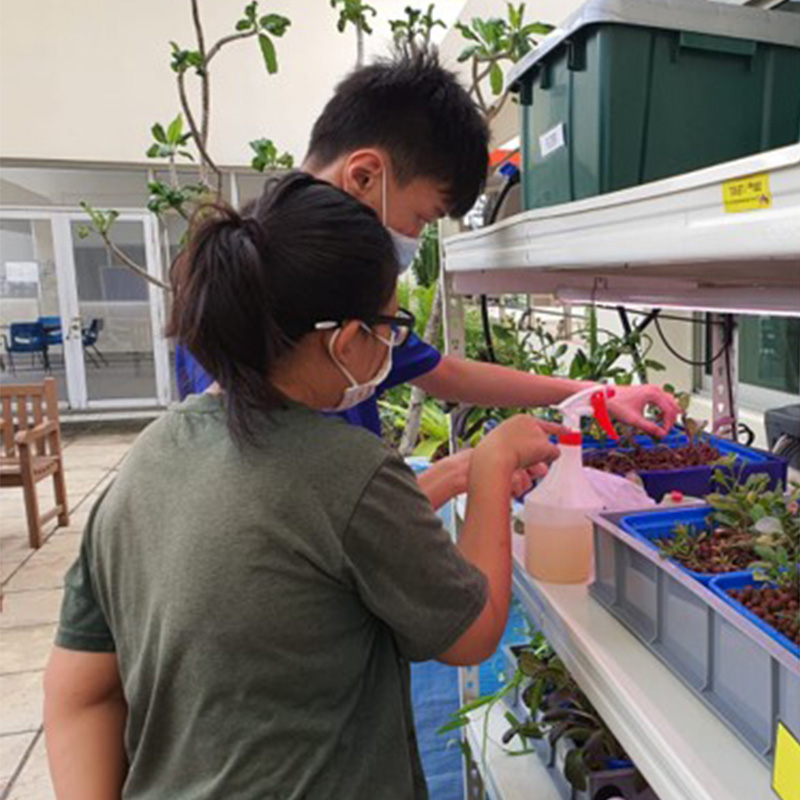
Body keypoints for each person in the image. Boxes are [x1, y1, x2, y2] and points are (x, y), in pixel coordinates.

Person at [44, 173, 561, 799]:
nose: (394, 344)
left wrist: (455, 472)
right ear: (347, 340)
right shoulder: (349, 468)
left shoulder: (149, 458)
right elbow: (475, 630)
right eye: (391, 326)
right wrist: (493, 463)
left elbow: (81, 690)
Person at [175, 54, 681, 510]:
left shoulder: (330, 290)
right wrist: (456, 480)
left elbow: (443, 372)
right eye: (421, 219)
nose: (412, 240)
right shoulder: (242, 284)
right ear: (365, 176)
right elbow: (294, 531)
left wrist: (595, 392)